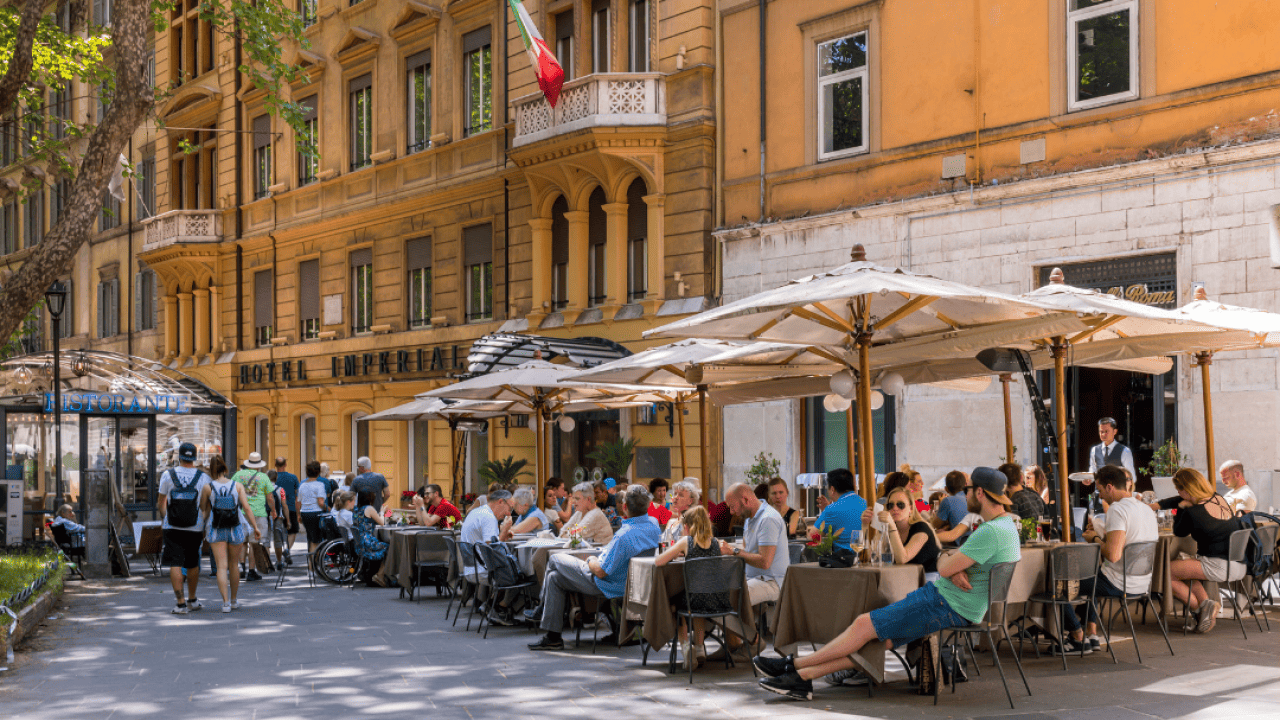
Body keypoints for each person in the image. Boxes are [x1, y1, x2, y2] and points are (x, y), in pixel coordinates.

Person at [753, 466, 1021, 701]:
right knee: (875, 641)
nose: (965, 495)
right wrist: (952, 564)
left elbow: (942, 564)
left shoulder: (989, 531)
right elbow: (945, 561)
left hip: (946, 603)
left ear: (981, 494)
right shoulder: (1007, 527)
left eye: (969, 489)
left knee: (862, 624)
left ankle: (793, 664)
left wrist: (950, 565)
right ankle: (803, 677)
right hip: (958, 605)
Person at [528, 485, 661, 651]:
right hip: (632, 582)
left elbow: (600, 571)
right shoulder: (653, 525)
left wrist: (590, 559)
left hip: (607, 583)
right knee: (554, 578)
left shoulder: (624, 535)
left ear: (625, 507)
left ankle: (541, 608)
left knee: (554, 558)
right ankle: (553, 637)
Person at [1055, 464, 1158, 654]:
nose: (1100, 496)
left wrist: (1093, 538)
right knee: (1088, 577)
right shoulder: (1146, 509)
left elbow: (1113, 554)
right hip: (1143, 582)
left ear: (1110, 487)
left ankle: (1078, 637)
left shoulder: (1118, 510)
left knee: (1059, 585)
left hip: (1118, 582)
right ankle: (1091, 635)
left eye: (1100, 490)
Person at [714, 482, 791, 660]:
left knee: (724, 598)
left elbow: (765, 562)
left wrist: (732, 551)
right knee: (714, 592)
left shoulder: (767, 519)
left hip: (772, 581)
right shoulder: (751, 517)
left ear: (746, 499)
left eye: (733, 507)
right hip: (753, 577)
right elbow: (747, 550)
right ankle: (733, 646)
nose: (732, 512)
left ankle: (753, 643)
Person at [1169, 467, 1245, 633]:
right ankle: (1207, 606)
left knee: (1165, 573)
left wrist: (1182, 507)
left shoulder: (1193, 511)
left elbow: (1179, 532)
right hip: (1238, 562)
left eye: (1178, 490)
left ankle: (1200, 609)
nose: (1178, 494)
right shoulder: (1219, 498)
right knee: (1183, 570)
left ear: (1186, 490)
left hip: (1217, 564)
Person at [655, 505, 727, 669]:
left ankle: (687, 651)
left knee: (678, 606)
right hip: (717, 599)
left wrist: (678, 551)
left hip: (694, 599)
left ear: (686, 526)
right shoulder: (715, 542)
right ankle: (700, 649)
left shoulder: (686, 541)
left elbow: (659, 561)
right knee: (697, 606)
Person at [201, 456, 261, 613]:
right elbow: (247, 508)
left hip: (216, 528)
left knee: (221, 566)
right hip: (235, 528)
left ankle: (225, 603)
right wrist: (255, 527)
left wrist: (201, 528)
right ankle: (234, 600)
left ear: (211, 471)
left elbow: (204, 510)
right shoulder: (237, 486)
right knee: (234, 565)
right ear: (225, 469)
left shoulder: (207, 487)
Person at [157, 442, 211, 614]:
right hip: (195, 527)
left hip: (172, 527)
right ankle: (192, 600)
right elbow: (206, 505)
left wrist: (165, 518)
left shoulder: (167, 474)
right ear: (194, 458)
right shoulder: (203, 478)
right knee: (192, 563)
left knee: (175, 563)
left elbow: (161, 502)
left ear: (179, 456)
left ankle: (180, 604)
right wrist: (202, 520)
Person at [880, 487, 941, 582]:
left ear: (911, 508)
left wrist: (892, 527)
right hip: (902, 579)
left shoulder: (921, 528)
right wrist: (865, 525)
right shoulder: (888, 529)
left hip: (927, 581)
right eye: (890, 505)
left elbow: (902, 559)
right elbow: (874, 557)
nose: (895, 508)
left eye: (900, 505)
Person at [231, 452, 275, 582]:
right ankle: (251, 571)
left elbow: (231, 491)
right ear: (259, 465)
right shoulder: (264, 477)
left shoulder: (238, 475)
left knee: (242, 542)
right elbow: (270, 497)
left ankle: (241, 568)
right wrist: (273, 510)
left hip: (242, 513)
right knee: (254, 543)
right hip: (259, 513)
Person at [813, 468, 866, 552]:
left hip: (842, 561)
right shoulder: (866, 503)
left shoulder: (831, 509)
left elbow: (814, 536)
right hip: (865, 558)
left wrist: (826, 512)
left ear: (832, 489)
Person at [1087, 417, 1136, 505]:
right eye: (1101, 431)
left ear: (1115, 431)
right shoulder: (1094, 450)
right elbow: (1093, 471)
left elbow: (1131, 477)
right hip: (1099, 498)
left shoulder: (1125, 451)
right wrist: (1087, 479)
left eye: (1106, 431)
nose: (1103, 434)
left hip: (1117, 500)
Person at [351, 489, 388, 584]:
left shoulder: (356, 509)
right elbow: (382, 522)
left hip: (359, 545)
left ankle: (367, 573)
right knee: (389, 547)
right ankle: (380, 575)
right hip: (368, 544)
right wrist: (382, 512)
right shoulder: (369, 509)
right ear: (370, 498)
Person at [296, 460, 329, 552]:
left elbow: (299, 502)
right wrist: (330, 509)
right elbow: (321, 503)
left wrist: (299, 515)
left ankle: (310, 564)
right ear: (318, 472)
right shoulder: (320, 485)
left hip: (305, 513)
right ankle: (315, 564)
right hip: (316, 513)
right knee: (316, 540)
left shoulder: (302, 485)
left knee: (310, 539)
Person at [934, 470, 972, 542]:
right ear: (965, 485)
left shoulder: (947, 501)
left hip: (961, 545)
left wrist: (941, 504)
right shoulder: (973, 499)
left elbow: (935, 525)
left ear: (946, 489)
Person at [273, 457, 301, 554]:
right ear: (285, 465)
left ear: (275, 465)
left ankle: (280, 553)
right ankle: (287, 549)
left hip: (275, 509)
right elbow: (297, 496)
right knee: (292, 532)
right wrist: (298, 512)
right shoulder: (293, 478)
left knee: (278, 533)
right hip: (290, 507)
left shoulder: (272, 478)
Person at [662, 479, 701, 544]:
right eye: (675, 494)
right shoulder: (671, 522)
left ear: (690, 501)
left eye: (681, 495)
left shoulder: (694, 521)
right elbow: (663, 544)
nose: (676, 497)